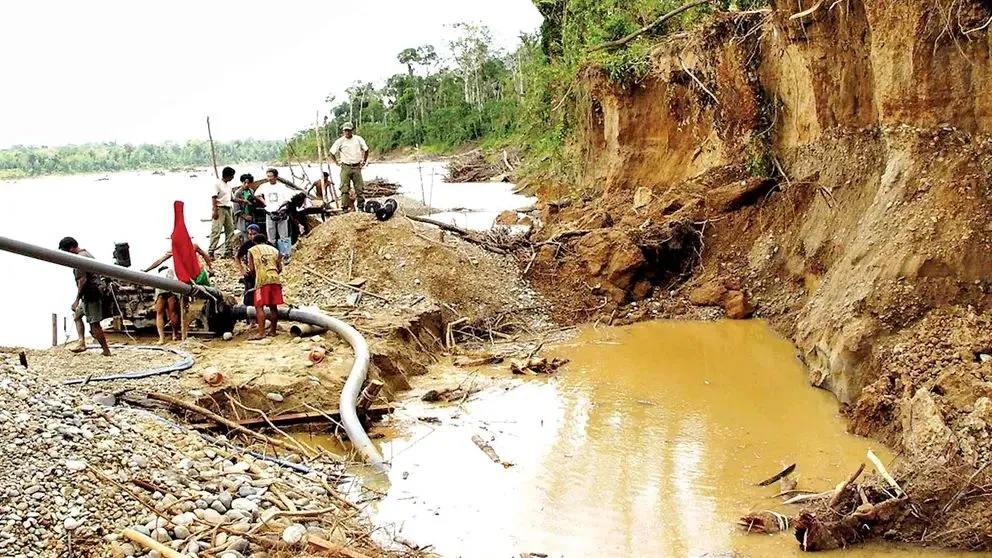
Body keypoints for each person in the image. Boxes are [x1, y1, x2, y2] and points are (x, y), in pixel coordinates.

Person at [58, 237, 111, 356]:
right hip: (89, 293)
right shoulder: (86, 253)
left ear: (71, 248)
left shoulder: (79, 258)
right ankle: (81, 342)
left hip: (91, 294)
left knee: (94, 324)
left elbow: (83, 280)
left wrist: (76, 300)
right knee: (77, 315)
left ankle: (106, 350)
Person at [247, 233, 284, 339]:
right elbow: (279, 268)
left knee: (259, 307)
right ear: (266, 241)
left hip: (262, 280)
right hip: (275, 279)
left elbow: (252, 268)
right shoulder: (275, 250)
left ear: (255, 242)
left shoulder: (252, 250)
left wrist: (255, 277)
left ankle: (261, 333)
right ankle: (273, 331)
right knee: (273, 306)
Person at [329, 122, 369, 212]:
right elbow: (331, 152)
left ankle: (361, 206)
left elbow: (366, 150)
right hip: (345, 166)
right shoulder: (340, 141)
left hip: (356, 166)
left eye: (349, 130)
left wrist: (364, 161)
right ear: (343, 131)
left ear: (352, 131)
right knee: (344, 188)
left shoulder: (358, 139)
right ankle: (345, 207)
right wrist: (336, 162)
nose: (347, 132)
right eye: (345, 131)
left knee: (359, 188)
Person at [254, 168, 293, 258]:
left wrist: (281, 208)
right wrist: (264, 202)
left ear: (276, 177)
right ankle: (272, 253)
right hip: (269, 212)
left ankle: (285, 254)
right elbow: (257, 195)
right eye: (268, 177)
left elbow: (288, 199)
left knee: (283, 235)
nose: (269, 178)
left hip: (281, 213)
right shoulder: (264, 186)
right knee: (271, 235)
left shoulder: (282, 187)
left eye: (271, 176)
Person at [209, 166, 237, 258]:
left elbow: (232, 198)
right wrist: (215, 210)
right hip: (220, 208)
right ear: (228, 176)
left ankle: (227, 251)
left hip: (228, 208)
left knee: (230, 230)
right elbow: (214, 197)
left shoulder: (228, 185)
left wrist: (242, 201)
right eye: (232, 176)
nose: (233, 178)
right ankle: (211, 251)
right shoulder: (217, 184)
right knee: (216, 230)